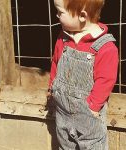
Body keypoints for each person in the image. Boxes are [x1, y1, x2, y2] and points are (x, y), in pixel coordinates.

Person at [47, 0, 119, 149]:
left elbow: (105, 80)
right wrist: (52, 88)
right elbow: (56, 63)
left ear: (82, 16)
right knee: (65, 144)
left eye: (60, 12)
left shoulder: (105, 47)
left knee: (92, 145)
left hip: (87, 114)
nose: (57, 15)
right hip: (63, 112)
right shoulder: (63, 38)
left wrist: (93, 106)